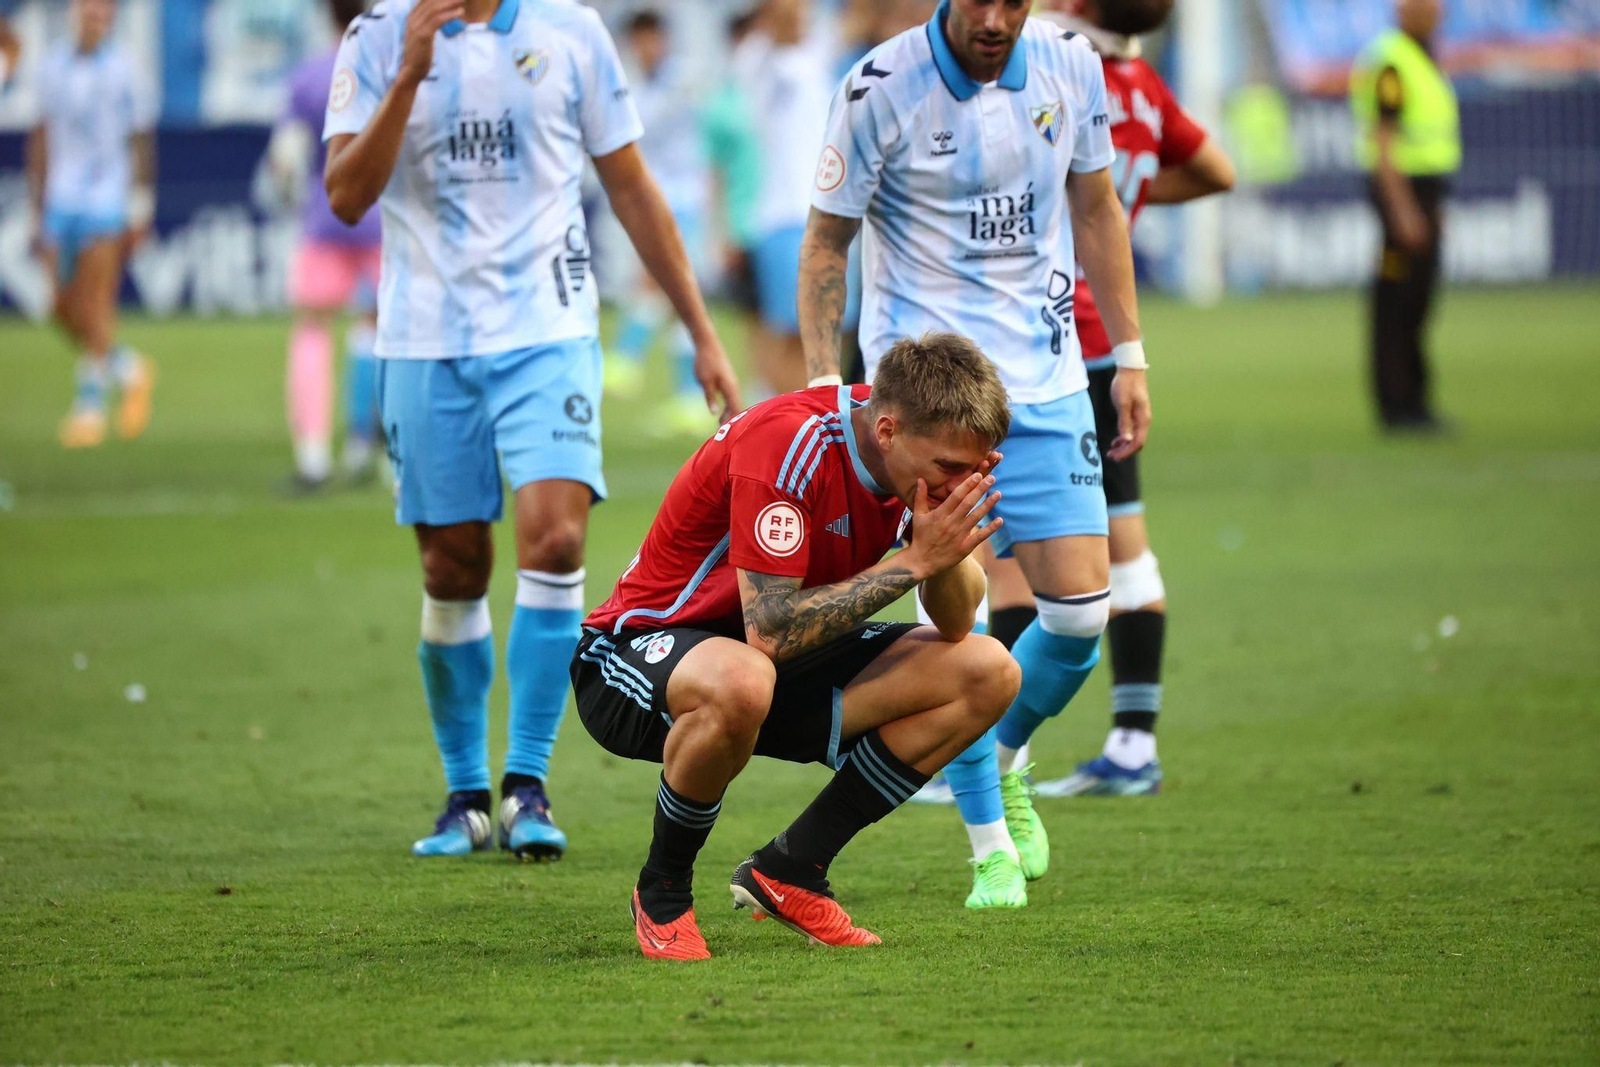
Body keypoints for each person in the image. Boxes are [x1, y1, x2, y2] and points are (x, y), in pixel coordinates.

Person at [323, 0, 741, 860]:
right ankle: (463, 796)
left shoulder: (572, 32)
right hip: (424, 338)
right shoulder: (375, 39)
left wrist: (699, 330)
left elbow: (631, 184)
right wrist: (408, 71)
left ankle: (526, 785)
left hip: (547, 330)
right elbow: (346, 196)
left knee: (554, 539)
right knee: (453, 563)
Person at [798, 0, 1151, 910]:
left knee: (1079, 617)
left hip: (1046, 378)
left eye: (1015, 1)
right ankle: (990, 849)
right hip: (933, 405)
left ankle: (997, 750)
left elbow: (1098, 206)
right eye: (980, 0)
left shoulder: (1072, 65)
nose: (996, 18)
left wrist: (1130, 354)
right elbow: (826, 239)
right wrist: (815, 385)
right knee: (967, 623)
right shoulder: (879, 86)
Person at [574, 333, 1021, 960]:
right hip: (636, 655)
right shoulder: (790, 444)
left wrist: (940, 549)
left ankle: (792, 869)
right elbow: (772, 630)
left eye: (978, 469)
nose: (962, 482)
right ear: (888, 430)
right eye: (951, 468)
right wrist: (914, 562)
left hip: (763, 667)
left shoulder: (917, 454)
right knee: (744, 678)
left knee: (987, 670)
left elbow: (953, 623)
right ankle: (663, 890)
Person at [976, 0, 1234, 799]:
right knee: (1130, 549)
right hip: (1108, 350)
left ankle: (982, 757)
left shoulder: (1046, 73)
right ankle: (1132, 742)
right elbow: (1219, 171)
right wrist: (1137, 194)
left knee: (1008, 563)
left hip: (1045, 342)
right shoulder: (1141, 86)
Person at [27, 0, 157, 450]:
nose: (94, 19)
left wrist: (140, 205)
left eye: (102, 13)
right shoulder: (51, 67)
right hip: (62, 197)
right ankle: (130, 369)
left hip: (107, 195)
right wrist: (36, 204)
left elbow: (141, 137)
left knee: (96, 302)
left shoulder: (126, 69)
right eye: (89, 11)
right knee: (60, 307)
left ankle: (89, 406)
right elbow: (41, 135)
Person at [270, 0, 384, 491]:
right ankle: (369, 445)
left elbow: (287, 156)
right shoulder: (389, 68)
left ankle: (313, 455)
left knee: (312, 329)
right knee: (381, 328)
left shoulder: (311, 75)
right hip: (381, 215)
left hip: (326, 212)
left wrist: (295, 199)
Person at [604, 9, 720, 437]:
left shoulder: (678, 79)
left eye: (651, 38)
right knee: (679, 308)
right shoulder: (641, 86)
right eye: (639, 40)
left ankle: (625, 356)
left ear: (663, 39)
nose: (646, 47)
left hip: (684, 200)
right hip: (661, 198)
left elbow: (641, 126)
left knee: (660, 281)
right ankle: (690, 400)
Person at [1350, 0, 1458, 433]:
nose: (1437, 10)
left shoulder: (1419, 56)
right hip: (1404, 194)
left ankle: (1414, 400)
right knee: (1397, 300)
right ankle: (1398, 405)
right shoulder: (1392, 62)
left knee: (1418, 299)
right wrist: (1405, 212)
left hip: (1426, 192)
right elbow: (1384, 144)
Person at [737, 0, 836, 396]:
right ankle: (778, 420)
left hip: (828, 214)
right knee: (787, 331)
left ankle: (798, 421)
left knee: (827, 331)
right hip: (782, 218)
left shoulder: (820, 47)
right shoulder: (755, 57)